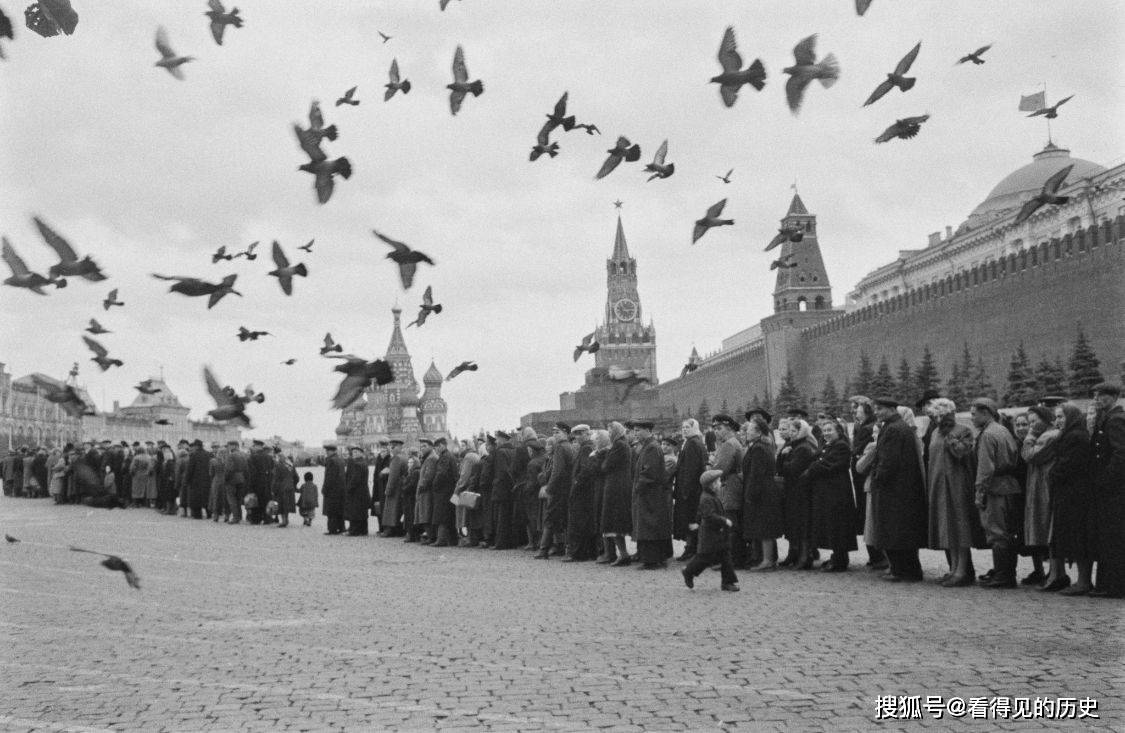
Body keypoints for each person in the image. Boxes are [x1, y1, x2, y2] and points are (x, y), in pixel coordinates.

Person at [869, 398, 928, 582]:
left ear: (891, 409)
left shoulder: (894, 429)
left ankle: (903, 570)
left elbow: (889, 460)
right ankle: (907, 569)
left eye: (879, 409)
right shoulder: (898, 426)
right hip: (901, 488)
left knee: (895, 531)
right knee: (901, 531)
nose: (876, 412)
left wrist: (877, 478)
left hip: (894, 489)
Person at [926, 398, 983, 587]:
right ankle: (953, 568)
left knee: (960, 526)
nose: (939, 418)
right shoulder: (934, 433)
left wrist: (951, 439)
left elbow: (963, 453)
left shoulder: (963, 431)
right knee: (947, 527)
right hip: (939, 486)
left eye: (943, 414)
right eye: (936, 415)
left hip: (957, 485)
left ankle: (962, 570)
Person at [971, 397, 1024, 589]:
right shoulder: (1003, 430)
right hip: (1010, 486)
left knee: (997, 532)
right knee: (1008, 531)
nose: (971, 418)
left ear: (986, 413)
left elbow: (985, 468)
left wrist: (979, 493)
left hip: (996, 488)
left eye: (974, 414)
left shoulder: (987, 435)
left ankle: (1003, 575)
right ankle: (1006, 572)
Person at [1049, 404, 1094, 595]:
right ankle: (1081, 580)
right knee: (1075, 537)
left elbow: (1070, 465)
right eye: (1056, 417)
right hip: (1070, 493)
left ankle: (1083, 581)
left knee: (1079, 537)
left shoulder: (1075, 437)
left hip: (1075, 495)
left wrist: (1053, 473)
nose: (1058, 421)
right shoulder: (1071, 435)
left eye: (1061, 417)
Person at [804, 418, 857, 572]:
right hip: (829, 492)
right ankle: (837, 556)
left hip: (838, 492)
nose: (826, 433)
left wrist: (814, 467)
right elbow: (818, 460)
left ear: (838, 431)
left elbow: (827, 465)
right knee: (832, 525)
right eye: (824, 430)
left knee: (838, 525)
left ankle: (840, 560)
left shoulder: (841, 446)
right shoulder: (828, 445)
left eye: (829, 430)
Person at [1088, 382, 1125, 598]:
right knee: (1107, 535)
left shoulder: (1116, 420)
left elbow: (1121, 454)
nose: (1096, 399)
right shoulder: (1107, 418)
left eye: (1100, 395)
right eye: (1095, 395)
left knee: (1114, 536)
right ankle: (1107, 583)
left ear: (1112, 397)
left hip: (1114, 490)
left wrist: (1105, 479)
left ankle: (1115, 585)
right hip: (1108, 489)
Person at [681, 469, 739, 592]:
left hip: (718, 535)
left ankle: (728, 582)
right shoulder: (707, 498)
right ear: (712, 485)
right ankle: (688, 571)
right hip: (710, 536)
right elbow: (709, 515)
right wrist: (724, 521)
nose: (720, 484)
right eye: (718, 481)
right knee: (704, 558)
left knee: (726, 557)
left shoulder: (711, 496)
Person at [1020, 405, 1058, 586]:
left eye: (1034, 421)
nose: (1031, 425)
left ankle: (1055, 573)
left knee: (1046, 526)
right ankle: (1050, 572)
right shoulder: (1044, 435)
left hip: (1044, 486)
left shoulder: (1047, 436)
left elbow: (1030, 456)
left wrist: (1028, 438)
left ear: (1045, 419)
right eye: (1030, 423)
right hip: (1040, 484)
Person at [742, 413, 782, 571]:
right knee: (764, 526)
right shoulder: (763, 446)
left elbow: (756, 474)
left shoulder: (758, 448)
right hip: (766, 489)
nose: (747, 432)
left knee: (764, 527)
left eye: (750, 430)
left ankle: (767, 560)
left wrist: (750, 494)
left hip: (762, 492)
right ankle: (767, 558)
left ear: (758, 432)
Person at [849, 397, 884, 569]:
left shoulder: (868, 429)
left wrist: (856, 455)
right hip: (861, 478)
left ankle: (877, 556)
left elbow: (858, 451)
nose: (854, 412)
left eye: (857, 409)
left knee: (868, 516)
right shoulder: (863, 427)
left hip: (865, 478)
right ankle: (875, 555)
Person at [631, 420, 670, 569]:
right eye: (634, 430)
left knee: (649, 527)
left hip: (649, 494)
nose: (635, 433)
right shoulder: (649, 446)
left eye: (638, 430)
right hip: (650, 494)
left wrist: (638, 487)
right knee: (651, 526)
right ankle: (656, 557)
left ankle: (651, 560)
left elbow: (649, 472)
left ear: (647, 430)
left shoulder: (651, 448)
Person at [779, 419, 817, 569]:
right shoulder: (793, 446)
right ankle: (795, 554)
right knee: (793, 523)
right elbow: (781, 469)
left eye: (795, 431)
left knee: (801, 524)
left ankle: (804, 556)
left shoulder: (803, 448)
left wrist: (785, 459)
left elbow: (792, 469)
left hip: (800, 491)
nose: (792, 434)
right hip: (793, 490)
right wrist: (783, 456)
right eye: (791, 431)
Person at [710, 414, 745, 564]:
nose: (716, 432)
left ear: (729, 428)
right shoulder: (733, 442)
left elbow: (721, 468)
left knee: (730, 523)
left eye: (719, 428)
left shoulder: (729, 444)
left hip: (729, 485)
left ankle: (733, 559)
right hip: (733, 484)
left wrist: (709, 467)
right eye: (715, 429)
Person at [536, 423, 574, 559]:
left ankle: (543, 549)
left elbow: (556, 471)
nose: (554, 435)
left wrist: (550, 488)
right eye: (554, 432)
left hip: (558, 490)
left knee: (550, 519)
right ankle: (567, 549)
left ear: (565, 433)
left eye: (557, 432)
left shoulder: (560, 447)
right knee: (566, 520)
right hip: (567, 489)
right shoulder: (569, 447)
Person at [598, 421, 633, 565]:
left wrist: (602, 457)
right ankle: (620, 553)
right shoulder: (621, 445)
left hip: (616, 488)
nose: (609, 433)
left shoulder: (619, 445)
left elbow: (606, 466)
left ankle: (623, 554)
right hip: (618, 486)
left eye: (611, 430)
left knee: (614, 521)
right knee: (614, 521)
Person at [564, 425, 600, 561]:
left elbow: (586, 469)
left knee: (578, 523)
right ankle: (588, 551)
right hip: (585, 491)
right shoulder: (586, 447)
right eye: (576, 434)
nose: (577, 437)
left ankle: (578, 553)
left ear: (587, 433)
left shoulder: (586, 448)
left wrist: (576, 482)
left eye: (580, 434)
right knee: (585, 522)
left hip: (582, 492)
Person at [673, 419, 706, 562]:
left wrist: (685, 490)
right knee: (691, 519)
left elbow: (690, 469)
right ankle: (692, 548)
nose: (684, 430)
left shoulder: (692, 443)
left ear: (695, 428)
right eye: (683, 427)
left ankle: (691, 548)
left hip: (690, 490)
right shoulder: (694, 442)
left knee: (690, 518)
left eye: (687, 427)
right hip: (692, 488)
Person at [427, 438, 459, 547]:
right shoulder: (450, 456)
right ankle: (453, 540)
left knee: (441, 516)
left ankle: (441, 540)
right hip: (450, 490)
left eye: (436, 448)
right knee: (449, 516)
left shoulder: (444, 457)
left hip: (443, 492)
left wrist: (434, 485)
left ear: (441, 446)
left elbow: (441, 474)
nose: (435, 451)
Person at [489, 431, 518, 549]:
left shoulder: (500, 452)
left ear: (502, 439)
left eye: (497, 439)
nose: (496, 441)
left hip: (501, 488)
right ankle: (511, 542)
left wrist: (496, 483)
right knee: (510, 516)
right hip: (512, 487)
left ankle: (500, 543)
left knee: (501, 517)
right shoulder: (514, 450)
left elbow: (502, 471)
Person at [379, 439, 408, 536]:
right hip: (402, 488)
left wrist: (388, 490)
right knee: (399, 510)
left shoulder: (396, 459)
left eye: (392, 447)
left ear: (398, 447)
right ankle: (399, 530)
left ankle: (389, 530)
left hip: (395, 489)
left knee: (391, 510)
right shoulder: (405, 457)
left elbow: (393, 477)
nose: (391, 449)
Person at [182, 439, 212, 520]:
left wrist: (186, 480)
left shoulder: (194, 455)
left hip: (196, 481)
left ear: (196, 446)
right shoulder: (208, 454)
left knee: (196, 499)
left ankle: (198, 515)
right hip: (207, 480)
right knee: (206, 497)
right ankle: (209, 514)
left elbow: (190, 469)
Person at [344, 445, 371, 536]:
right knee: (362, 512)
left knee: (354, 512)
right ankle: (363, 530)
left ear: (361, 453)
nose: (354, 454)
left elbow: (355, 479)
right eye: (353, 452)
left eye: (356, 452)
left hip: (356, 492)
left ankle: (354, 530)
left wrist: (348, 488)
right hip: (363, 491)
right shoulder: (364, 463)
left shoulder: (357, 464)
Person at [414, 439, 437, 543]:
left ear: (431, 447)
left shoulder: (431, 458)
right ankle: (429, 535)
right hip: (425, 491)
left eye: (424, 446)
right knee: (424, 513)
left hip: (426, 492)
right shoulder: (428, 457)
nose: (422, 448)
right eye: (421, 446)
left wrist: (420, 487)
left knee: (426, 514)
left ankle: (431, 536)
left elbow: (428, 476)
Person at [321, 444, 346, 535]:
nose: (326, 452)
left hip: (332, 490)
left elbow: (330, 477)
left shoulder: (331, 461)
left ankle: (332, 529)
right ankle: (342, 527)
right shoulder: (340, 460)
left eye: (327, 451)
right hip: (341, 489)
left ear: (332, 451)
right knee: (340, 509)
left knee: (331, 510)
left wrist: (325, 488)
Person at [225, 440, 247, 524]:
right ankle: (240, 516)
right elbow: (246, 469)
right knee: (238, 499)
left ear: (234, 446)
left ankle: (235, 517)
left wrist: (226, 479)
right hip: (241, 478)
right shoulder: (243, 455)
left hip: (232, 479)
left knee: (231, 499)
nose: (229, 447)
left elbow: (229, 469)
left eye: (230, 445)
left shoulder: (231, 456)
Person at [209, 443, 228, 522]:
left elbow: (211, 473)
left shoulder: (213, 461)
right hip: (226, 481)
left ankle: (216, 515)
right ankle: (227, 515)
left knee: (216, 498)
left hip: (216, 480)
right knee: (226, 499)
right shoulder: (228, 461)